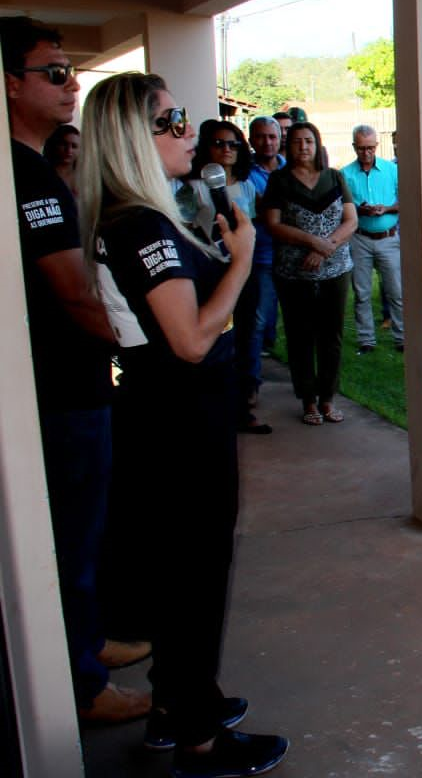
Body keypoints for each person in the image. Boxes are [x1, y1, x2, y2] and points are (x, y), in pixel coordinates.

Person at [81, 71, 288, 776]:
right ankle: (199, 740)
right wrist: (242, 262)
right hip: (178, 425)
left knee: (182, 575)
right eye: (170, 122)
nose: (187, 133)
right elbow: (191, 340)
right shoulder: (141, 226)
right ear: (132, 139)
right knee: (195, 577)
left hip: (167, 417)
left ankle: (176, 707)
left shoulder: (139, 217)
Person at [3, 15, 148, 722]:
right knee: (73, 537)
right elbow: (71, 290)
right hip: (63, 390)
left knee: (84, 532)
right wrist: (144, 348)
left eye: (72, 72)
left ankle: (86, 642)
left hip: (63, 385)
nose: (70, 85)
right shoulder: (29, 174)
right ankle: (83, 685)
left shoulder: (29, 167)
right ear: (10, 84)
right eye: (55, 73)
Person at [264, 122, 358, 424]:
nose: (303, 147)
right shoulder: (279, 181)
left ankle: (327, 398)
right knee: (300, 335)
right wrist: (311, 242)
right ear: (288, 146)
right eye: (296, 141)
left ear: (317, 144)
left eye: (308, 141)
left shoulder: (335, 177)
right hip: (294, 273)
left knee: (332, 336)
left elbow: (351, 220)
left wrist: (325, 247)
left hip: (335, 269)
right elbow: (273, 224)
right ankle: (308, 400)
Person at [183, 121, 270, 434]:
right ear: (207, 148)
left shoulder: (247, 186)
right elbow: (183, 226)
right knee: (218, 338)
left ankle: (244, 404)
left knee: (247, 334)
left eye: (233, 144)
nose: (226, 150)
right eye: (219, 143)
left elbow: (254, 225)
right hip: (210, 271)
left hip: (245, 268)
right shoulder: (193, 187)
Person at [342, 124, 404, 354]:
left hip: (388, 237)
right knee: (362, 292)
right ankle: (366, 339)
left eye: (370, 148)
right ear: (354, 147)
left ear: (376, 146)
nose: (366, 153)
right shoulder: (346, 174)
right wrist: (361, 209)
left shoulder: (391, 170)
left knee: (396, 291)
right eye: (361, 148)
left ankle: (402, 337)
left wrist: (386, 209)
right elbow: (343, 206)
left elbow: (405, 200)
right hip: (360, 238)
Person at [247, 116, 283, 357]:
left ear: (280, 139)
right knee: (259, 315)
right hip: (262, 254)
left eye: (272, 136)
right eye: (260, 137)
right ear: (251, 140)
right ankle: (254, 368)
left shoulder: (289, 168)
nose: (267, 142)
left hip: (291, 252)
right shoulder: (244, 173)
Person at [43, 122, 79, 194]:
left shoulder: (84, 176)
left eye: (74, 146)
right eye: (64, 144)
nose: (69, 150)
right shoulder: (43, 174)